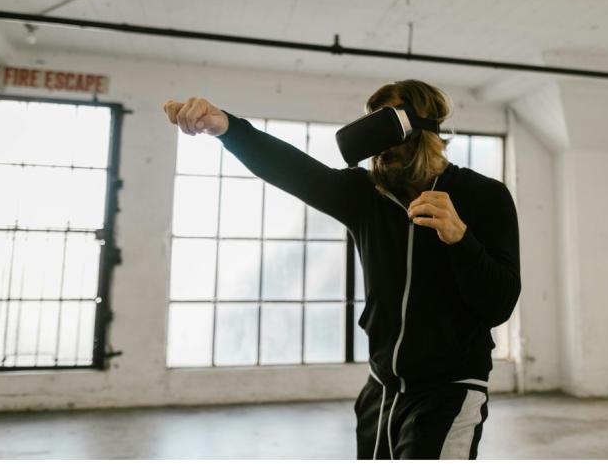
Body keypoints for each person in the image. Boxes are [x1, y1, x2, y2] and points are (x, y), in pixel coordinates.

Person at [162, 79, 521, 459]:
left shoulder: (484, 196)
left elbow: (499, 304)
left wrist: (460, 238)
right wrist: (228, 128)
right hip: (379, 390)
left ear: (423, 126)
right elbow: (292, 169)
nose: (378, 146)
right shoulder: (366, 195)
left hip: (450, 390)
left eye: (387, 126)